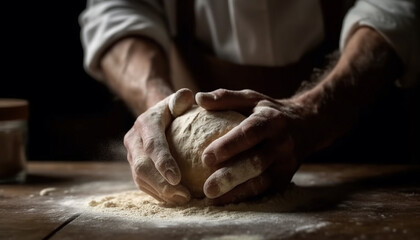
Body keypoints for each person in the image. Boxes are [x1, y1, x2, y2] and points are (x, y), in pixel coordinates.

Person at [79, 0, 419, 205]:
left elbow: (398, 5)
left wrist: (314, 111)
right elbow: (118, 9)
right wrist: (157, 102)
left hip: (368, 153)